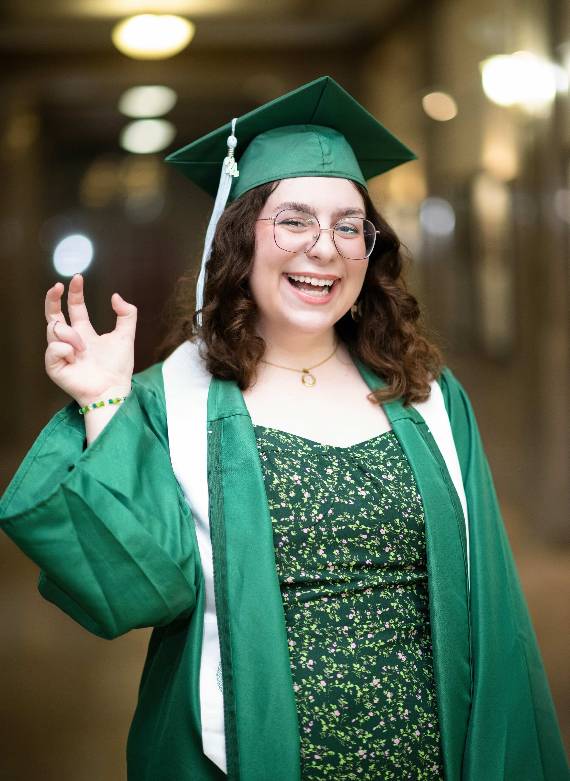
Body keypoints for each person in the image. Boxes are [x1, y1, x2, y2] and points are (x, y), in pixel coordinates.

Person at [0, 76, 567, 781]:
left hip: (433, 754)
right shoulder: (170, 402)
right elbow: (136, 589)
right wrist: (104, 403)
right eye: (293, 220)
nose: (322, 248)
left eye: (348, 225)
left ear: (372, 250)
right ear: (240, 241)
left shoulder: (427, 397)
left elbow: (495, 611)